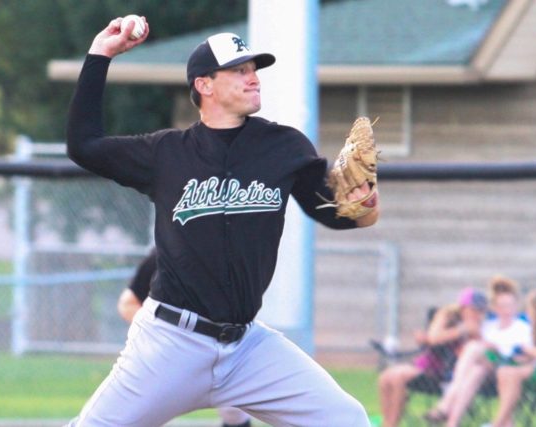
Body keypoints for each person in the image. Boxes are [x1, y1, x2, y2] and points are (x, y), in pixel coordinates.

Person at [65, 15, 379, 427]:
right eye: (239, 70)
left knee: (347, 420)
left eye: (253, 70)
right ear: (204, 85)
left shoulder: (284, 146)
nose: (253, 78)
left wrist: (365, 203)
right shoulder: (166, 154)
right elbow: (83, 145)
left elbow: (336, 214)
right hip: (170, 344)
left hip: (247, 348)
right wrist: (101, 54)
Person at [117, 248, 252, 427]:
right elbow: (127, 304)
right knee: (137, 412)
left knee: (234, 412)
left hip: (222, 351)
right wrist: (162, 332)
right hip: (171, 353)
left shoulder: (233, 252)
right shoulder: (167, 251)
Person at [424, 275, 532, 427]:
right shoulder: (489, 325)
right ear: (494, 308)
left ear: (516, 306)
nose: (506, 310)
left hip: (506, 368)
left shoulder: (522, 327)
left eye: (510, 305)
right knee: (476, 370)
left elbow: (524, 355)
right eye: (502, 306)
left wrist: (494, 348)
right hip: (485, 371)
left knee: (475, 348)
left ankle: (447, 401)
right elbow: (436, 338)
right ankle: (452, 423)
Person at [377, 287, 487, 427]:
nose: (476, 314)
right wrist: (462, 330)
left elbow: (477, 352)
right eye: (473, 309)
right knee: (385, 378)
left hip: (447, 372)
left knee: (397, 377)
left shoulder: (482, 326)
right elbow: (434, 337)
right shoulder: (448, 315)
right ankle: (387, 422)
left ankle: (392, 424)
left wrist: (472, 333)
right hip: (430, 362)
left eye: (480, 310)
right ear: (463, 308)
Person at [485, 288, 536, 427]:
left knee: (511, 374)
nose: (527, 312)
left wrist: (526, 349)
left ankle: (497, 424)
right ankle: (507, 423)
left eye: (529, 308)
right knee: (504, 371)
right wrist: (522, 357)